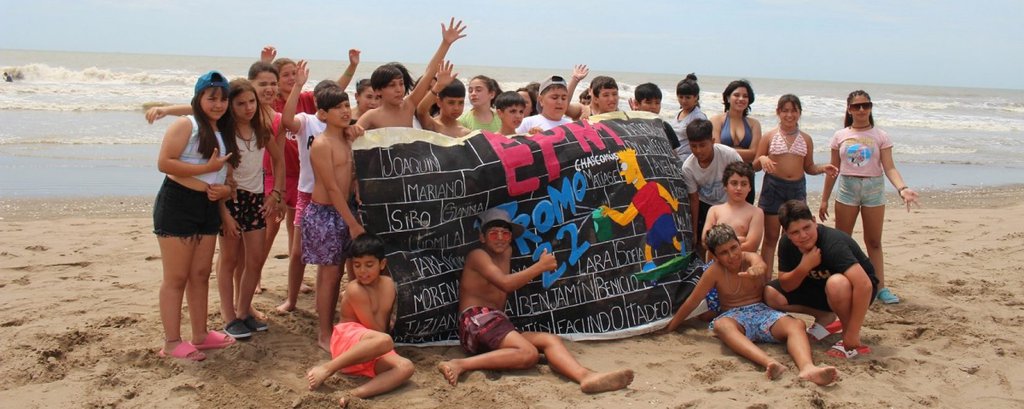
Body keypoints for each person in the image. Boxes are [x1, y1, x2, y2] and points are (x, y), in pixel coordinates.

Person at [436, 208, 635, 393]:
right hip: (475, 321)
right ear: (482, 237)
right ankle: (459, 364)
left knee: (550, 340)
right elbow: (505, 283)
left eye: (504, 233)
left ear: (511, 237)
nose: (499, 238)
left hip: (497, 323)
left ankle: (585, 376)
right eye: (493, 233)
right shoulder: (477, 255)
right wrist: (540, 267)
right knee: (529, 354)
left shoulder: (507, 252)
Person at [664, 224, 839, 386]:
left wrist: (756, 269)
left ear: (739, 244)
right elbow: (692, 302)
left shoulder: (750, 258)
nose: (732, 255)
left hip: (763, 312)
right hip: (734, 317)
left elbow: (760, 265)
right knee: (721, 325)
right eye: (724, 252)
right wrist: (671, 326)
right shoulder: (714, 272)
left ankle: (807, 368)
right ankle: (770, 362)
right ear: (715, 256)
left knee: (795, 325)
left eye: (734, 248)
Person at [153, 71, 239, 361]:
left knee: (200, 274)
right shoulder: (185, 124)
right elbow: (164, 163)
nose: (218, 104)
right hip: (178, 203)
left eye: (223, 99)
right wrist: (205, 171)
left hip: (207, 206)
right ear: (198, 98)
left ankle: (200, 335)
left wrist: (225, 192)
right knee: (176, 277)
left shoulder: (224, 131)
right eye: (211, 98)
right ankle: (172, 342)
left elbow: (225, 175)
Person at [819, 90, 919, 305]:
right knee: (841, 239)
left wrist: (902, 188)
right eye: (857, 106)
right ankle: (842, 282)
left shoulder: (881, 135)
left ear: (871, 107)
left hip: (874, 188)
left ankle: (880, 287)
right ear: (849, 109)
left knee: (873, 241)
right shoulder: (840, 135)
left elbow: (889, 167)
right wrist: (824, 198)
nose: (862, 110)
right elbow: (833, 169)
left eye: (866, 105)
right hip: (847, 187)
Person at [305, 233, 415, 407]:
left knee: (406, 367)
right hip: (349, 343)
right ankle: (328, 368)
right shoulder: (355, 289)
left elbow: (382, 326)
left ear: (382, 264)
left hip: (374, 346)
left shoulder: (389, 285)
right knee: (385, 340)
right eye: (357, 265)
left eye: (369, 265)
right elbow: (377, 330)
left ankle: (354, 393)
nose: (362, 271)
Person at [215, 79, 286, 339]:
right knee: (230, 259)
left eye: (252, 102)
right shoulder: (224, 135)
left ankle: (244, 311)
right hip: (230, 200)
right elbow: (218, 176)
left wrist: (276, 194)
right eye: (241, 103)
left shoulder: (262, 130)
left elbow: (279, 162)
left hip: (256, 199)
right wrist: (223, 213)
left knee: (254, 259)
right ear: (230, 106)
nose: (248, 108)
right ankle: (229, 315)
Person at [764, 200, 878, 359]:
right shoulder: (786, 244)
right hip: (819, 288)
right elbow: (786, 285)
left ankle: (848, 334)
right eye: (795, 232)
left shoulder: (832, 243)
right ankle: (826, 317)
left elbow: (864, 284)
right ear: (787, 233)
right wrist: (804, 266)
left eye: (806, 227)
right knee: (770, 293)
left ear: (814, 221)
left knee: (836, 283)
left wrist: (852, 333)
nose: (803, 235)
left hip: (857, 290)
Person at [304, 85, 367, 351]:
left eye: (346, 105)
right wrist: (352, 224)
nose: (345, 111)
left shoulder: (347, 137)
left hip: (346, 208)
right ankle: (324, 332)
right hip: (325, 213)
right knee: (330, 275)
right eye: (338, 108)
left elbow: (351, 176)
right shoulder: (321, 144)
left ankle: (341, 325)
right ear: (322, 114)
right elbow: (330, 187)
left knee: (341, 271)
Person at [753, 94, 837, 272]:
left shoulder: (806, 139)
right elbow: (754, 166)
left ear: (799, 113)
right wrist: (762, 158)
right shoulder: (769, 136)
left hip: (797, 189)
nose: (789, 115)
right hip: (773, 188)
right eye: (785, 111)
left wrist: (823, 168)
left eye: (793, 111)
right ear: (778, 112)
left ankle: (790, 276)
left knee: (794, 237)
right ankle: (765, 279)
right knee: (770, 237)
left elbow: (809, 167)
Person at [357, 18, 467, 131]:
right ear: (378, 91)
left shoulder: (408, 106)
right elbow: (353, 136)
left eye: (401, 84)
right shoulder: (371, 116)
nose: (399, 89)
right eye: (392, 85)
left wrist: (446, 43)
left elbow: (429, 74)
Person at [681, 119, 742, 252]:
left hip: (730, 203)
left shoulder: (730, 156)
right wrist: (694, 231)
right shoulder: (688, 167)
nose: (698, 151)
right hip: (705, 206)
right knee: (705, 244)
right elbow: (694, 199)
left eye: (702, 145)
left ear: (713, 141)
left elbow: (744, 183)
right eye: (693, 146)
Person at [711, 80, 762, 204]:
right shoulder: (716, 120)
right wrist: (745, 152)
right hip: (723, 174)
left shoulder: (754, 124)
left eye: (745, 96)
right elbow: (716, 149)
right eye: (736, 95)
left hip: (746, 176)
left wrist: (726, 149)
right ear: (728, 97)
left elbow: (755, 153)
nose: (741, 99)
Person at [702, 161, 764, 257]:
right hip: (716, 263)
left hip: (742, 263)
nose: (739, 188)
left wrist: (720, 245)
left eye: (744, 184)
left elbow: (752, 246)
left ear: (750, 187)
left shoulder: (756, 213)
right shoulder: (714, 210)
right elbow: (705, 241)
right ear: (725, 186)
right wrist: (740, 240)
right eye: (734, 183)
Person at [416, 61, 470, 137]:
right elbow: (421, 110)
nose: (456, 108)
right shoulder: (433, 125)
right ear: (439, 102)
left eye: (461, 103)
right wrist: (438, 86)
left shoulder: (465, 133)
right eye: (451, 102)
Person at [628, 82, 682, 151]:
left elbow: (674, 153)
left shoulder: (665, 127)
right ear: (637, 103)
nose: (653, 107)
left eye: (657, 103)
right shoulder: (630, 127)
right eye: (648, 102)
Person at [670, 73, 707, 164]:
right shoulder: (678, 113)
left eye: (688, 97)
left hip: (690, 161)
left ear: (696, 97)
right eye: (681, 97)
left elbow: (702, 143)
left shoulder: (698, 117)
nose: (684, 101)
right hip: (675, 158)